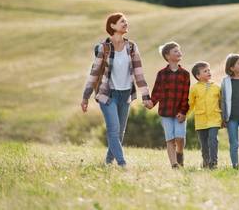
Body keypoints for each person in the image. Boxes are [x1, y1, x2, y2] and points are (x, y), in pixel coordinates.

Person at [81, 12, 152, 167]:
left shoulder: (132, 47)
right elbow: (94, 72)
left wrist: (146, 96)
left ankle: (108, 162)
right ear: (112, 26)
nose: (126, 23)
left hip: (125, 94)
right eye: (122, 21)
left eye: (126, 21)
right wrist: (86, 96)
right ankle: (122, 163)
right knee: (113, 130)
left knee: (120, 133)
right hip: (107, 94)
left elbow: (139, 73)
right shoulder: (103, 48)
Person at [148, 41, 191, 168]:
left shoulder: (185, 74)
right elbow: (157, 92)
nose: (179, 53)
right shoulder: (161, 74)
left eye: (179, 50)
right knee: (170, 139)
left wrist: (183, 112)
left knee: (179, 138)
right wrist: (152, 102)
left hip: (179, 112)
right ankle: (174, 164)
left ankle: (180, 152)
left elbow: (186, 95)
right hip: (165, 112)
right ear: (167, 56)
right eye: (176, 51)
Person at [188, 61, 222, 169]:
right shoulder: (194, 88)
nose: (208, 72)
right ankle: (206, 161)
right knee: (204, 144)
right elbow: (190, 104)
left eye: (209, 70)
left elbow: (222, 102)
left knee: (213, 139)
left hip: (214, 119)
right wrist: (184, 114)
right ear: (198, 76)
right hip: (201, 120)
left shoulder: (217, 87)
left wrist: (225, 117)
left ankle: (213, 162)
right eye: (205, 71)